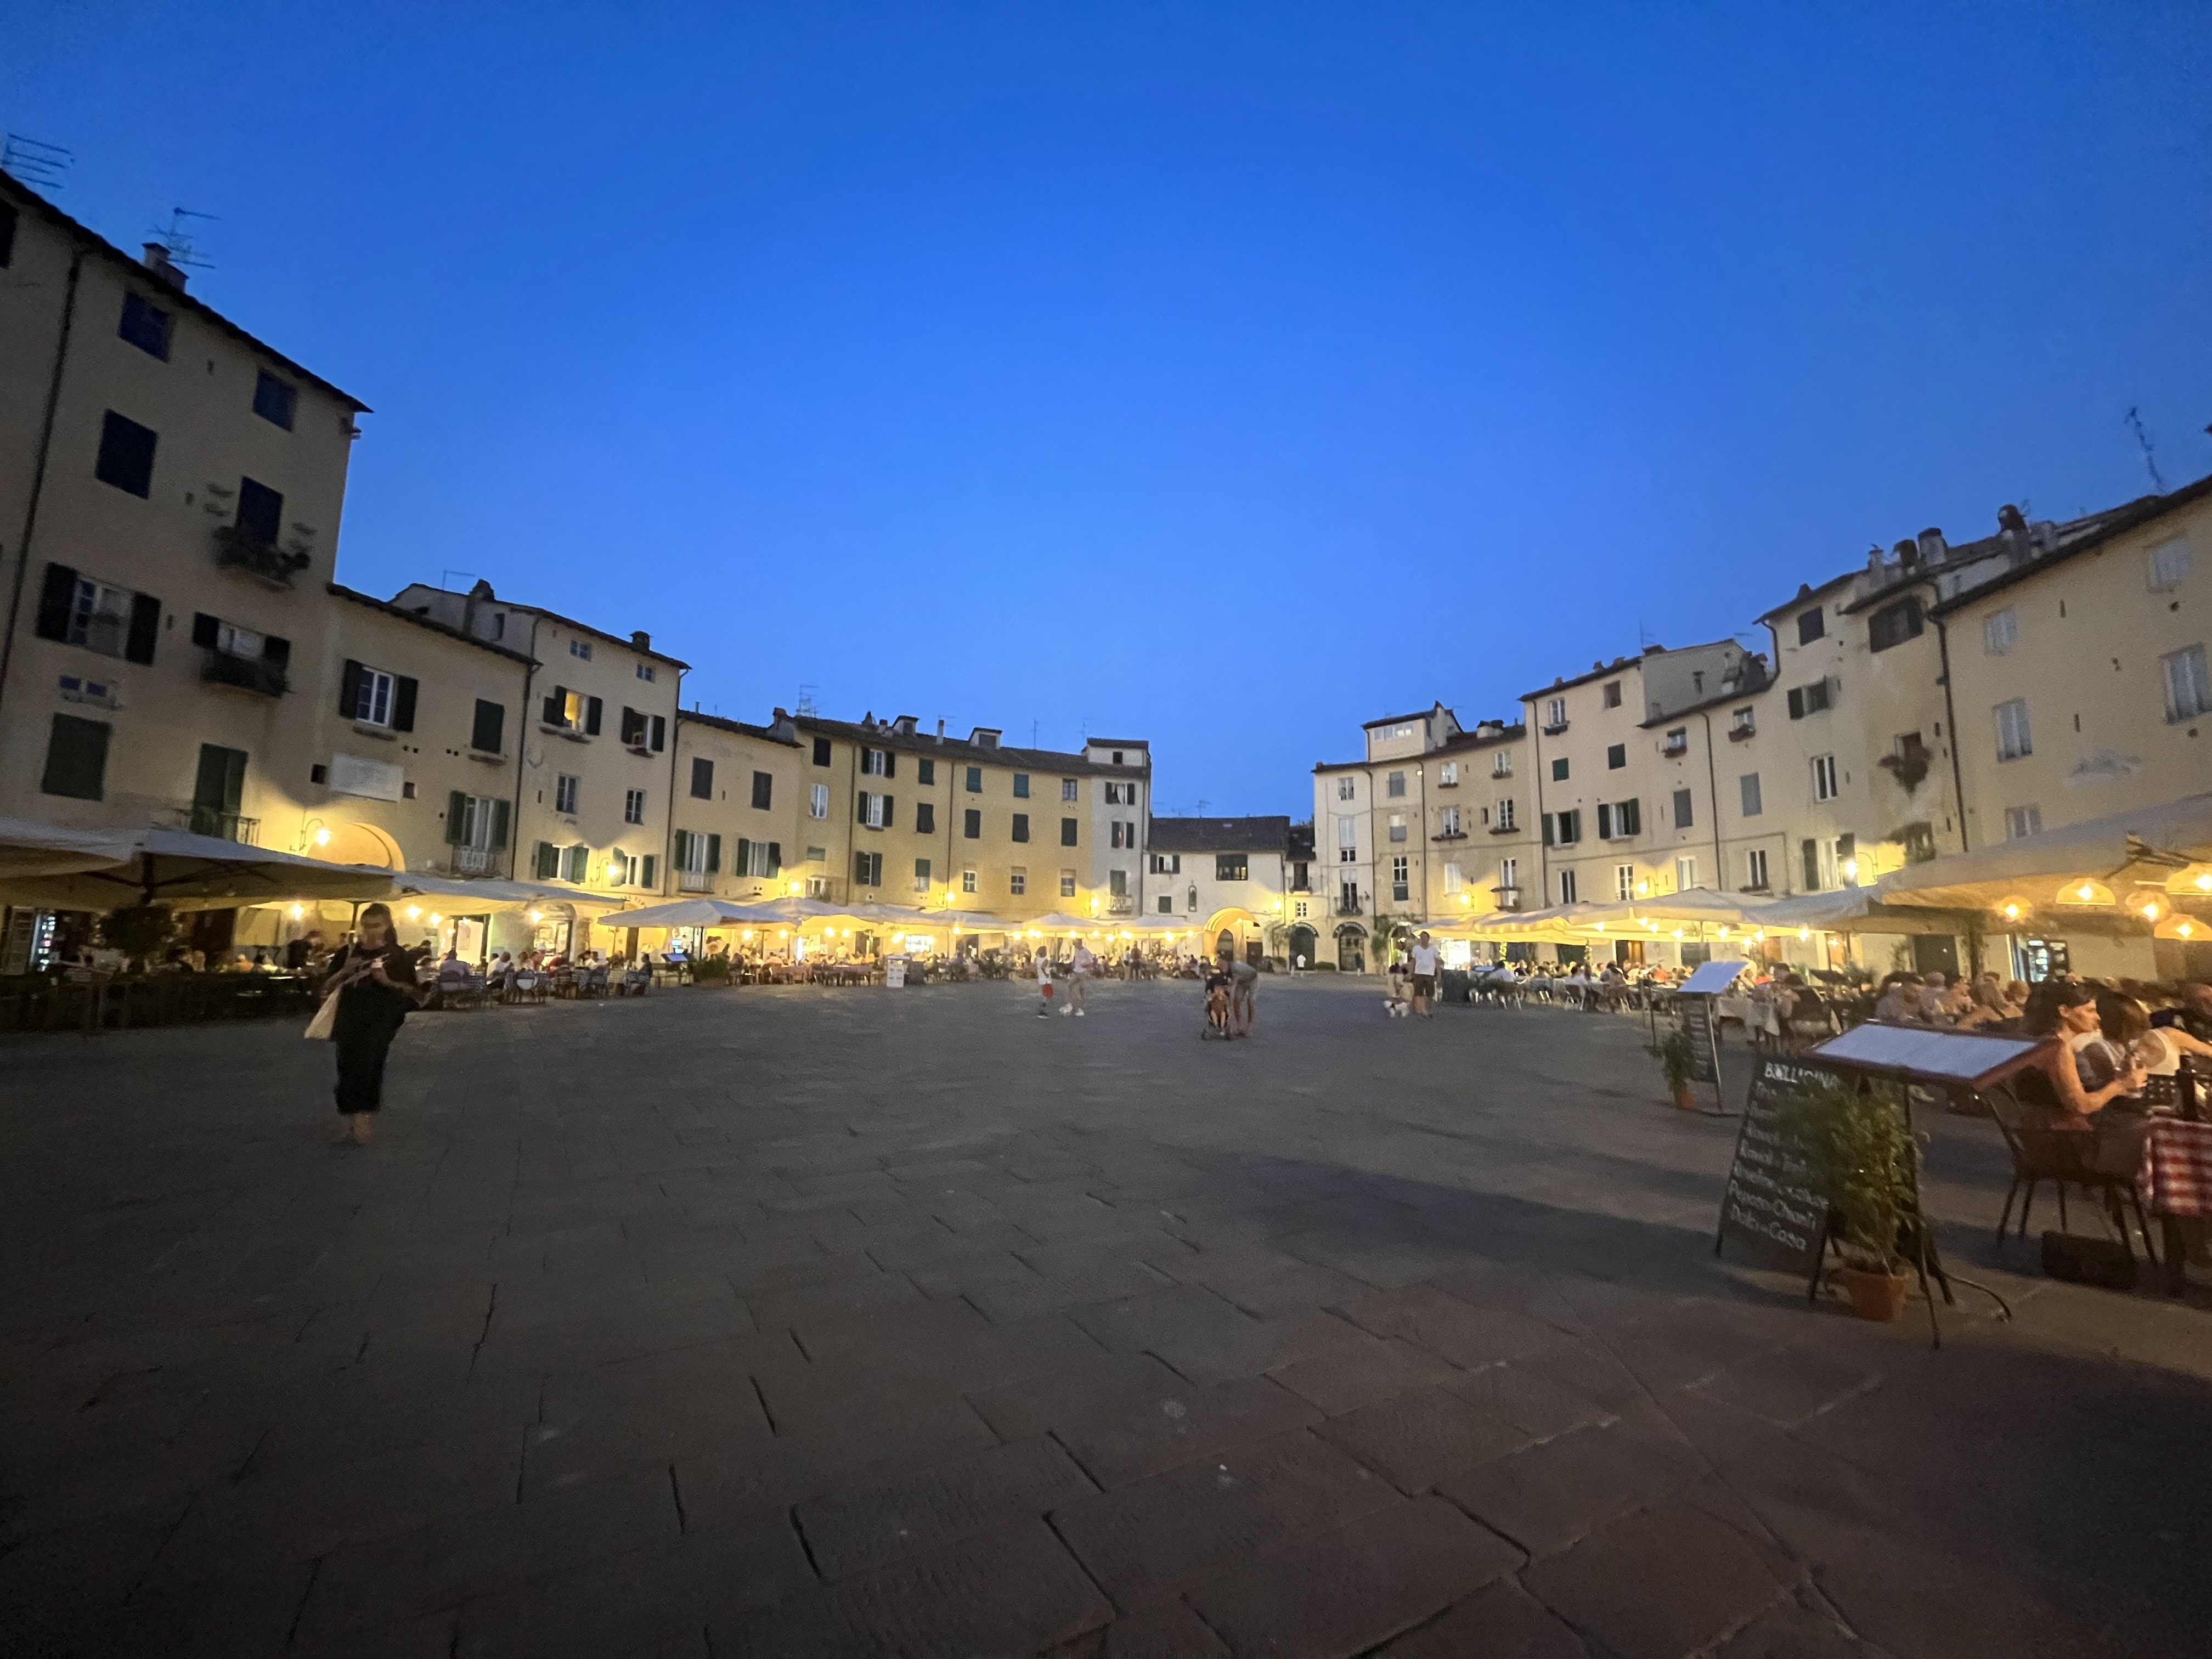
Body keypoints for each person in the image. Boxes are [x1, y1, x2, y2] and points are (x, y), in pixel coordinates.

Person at [320, 904, 421, 1146]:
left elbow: (413, 991)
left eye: (377, 925)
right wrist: (344, 971)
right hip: (348, 1019)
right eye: (367, 925)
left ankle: (363, 1119)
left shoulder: (398, 956)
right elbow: (326, 987)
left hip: (380, 1021)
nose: (371, 931)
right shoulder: (348, 952)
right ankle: (354, 1121)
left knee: (369, 1065)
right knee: (346, 1067)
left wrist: (387, 981)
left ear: (387, 926)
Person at [1408, 931, 1440, 1019]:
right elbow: (1413, 961)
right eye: (1422, 937)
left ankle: (1430, 1011)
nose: (1423, 939)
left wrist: (1439, 973)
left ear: (1428, 939)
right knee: (1419, 993)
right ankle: (1422, 1010)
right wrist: (1411, 972)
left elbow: (1437, 961)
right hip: (1419, 974)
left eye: (1425, 937)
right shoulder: (1416, 949)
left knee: (1430, 995)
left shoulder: (1433, 949)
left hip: (1430, 974)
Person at [1227, 951, 1259, 1037]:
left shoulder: (1236, 968)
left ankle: (1250, 1026)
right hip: (1242, 982)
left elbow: (1234, 984)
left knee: (1250, 1002)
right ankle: (1239, 1027)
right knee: (1236, 1003)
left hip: (1252, 979)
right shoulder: (1228, 970)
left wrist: (1229, 993)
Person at [1068, 940, 1096, 1017]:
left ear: (1080, 944)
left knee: (1082, 987)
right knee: (1070, 985)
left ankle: (1083, 1001)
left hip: (1083, 971)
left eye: (1076, 944)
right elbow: (1075, 956)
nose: (1075, 946)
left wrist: (1087, 966)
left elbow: (1092, 960)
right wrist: (1073, 963)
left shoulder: (1086, 951)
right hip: (1076, 970)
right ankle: (1073, 1000)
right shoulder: (1076, 949)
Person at [1035, 947, 1055, 1017]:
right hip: (1046, 980)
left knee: (1046, 995)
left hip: (1041, 979)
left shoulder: (1037, 960)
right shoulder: (1045, 960)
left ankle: (1042, 1009)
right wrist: (1046, 974)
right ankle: (1042, 1010)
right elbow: (1043, 967)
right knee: (1048, 996)